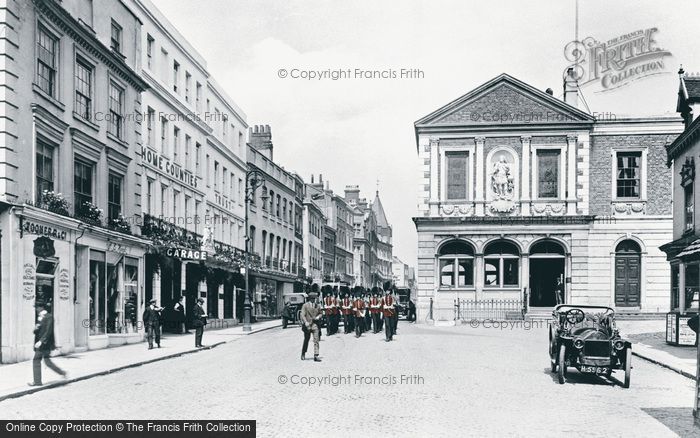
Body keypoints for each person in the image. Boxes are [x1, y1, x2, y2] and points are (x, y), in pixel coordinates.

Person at [28, 304, 66, 387]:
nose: (36, 309)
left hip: (45, 344)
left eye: (37, 307)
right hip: (40, 344)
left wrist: (41, 341)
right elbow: (37, 331)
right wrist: (35, 329)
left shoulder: (49, 317)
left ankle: (37, 382)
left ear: (42, 307)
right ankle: (62, 373)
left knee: (36, 360)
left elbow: (48, 331)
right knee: (47, 362)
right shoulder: (39, 317)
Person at [301, 291, 322, 362]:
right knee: (306, 340)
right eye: (312, 298)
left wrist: (318, 317)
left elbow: (320, 313)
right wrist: (305, 322)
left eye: (314, 298)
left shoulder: (317, 305)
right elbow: (302, 315)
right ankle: (303, 353)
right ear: (309, 298)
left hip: (315, 324)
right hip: (307, 325)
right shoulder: (305, 305)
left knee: (316, 340)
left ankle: (316, 355)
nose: (313, 300)